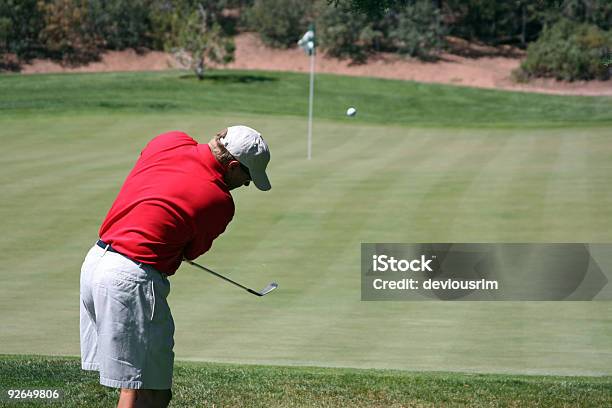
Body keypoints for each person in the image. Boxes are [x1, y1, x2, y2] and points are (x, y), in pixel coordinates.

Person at [79, 126, 271, 408]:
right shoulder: (219, 201)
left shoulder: (170, 141)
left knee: (140, 386)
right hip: (130, 279)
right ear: (232, 166)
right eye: (247, 177)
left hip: (95, 262)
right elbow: (190, 251)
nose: (245, 185)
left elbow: (152, 168)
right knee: (150, 393)